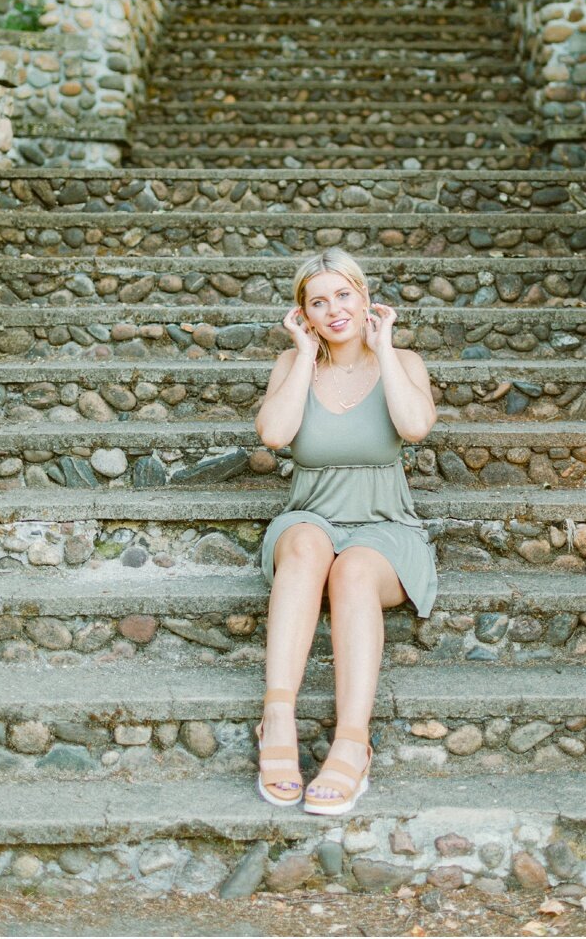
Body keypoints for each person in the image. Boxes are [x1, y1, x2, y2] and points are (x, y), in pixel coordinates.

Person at [250, 248, 440, 814]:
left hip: (386, 526)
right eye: (318, 301)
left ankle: (352, 744)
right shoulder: (293, 366)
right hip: (310, 516)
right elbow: (276, 436)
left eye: (343, 295)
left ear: (365, 299)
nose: (334, 309)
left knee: (353, 568)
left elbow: (414, 427)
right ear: (303, 314)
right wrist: (305, 355)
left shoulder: (403, 361)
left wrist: (382, 349)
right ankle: (277, 720)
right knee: (310, 548)